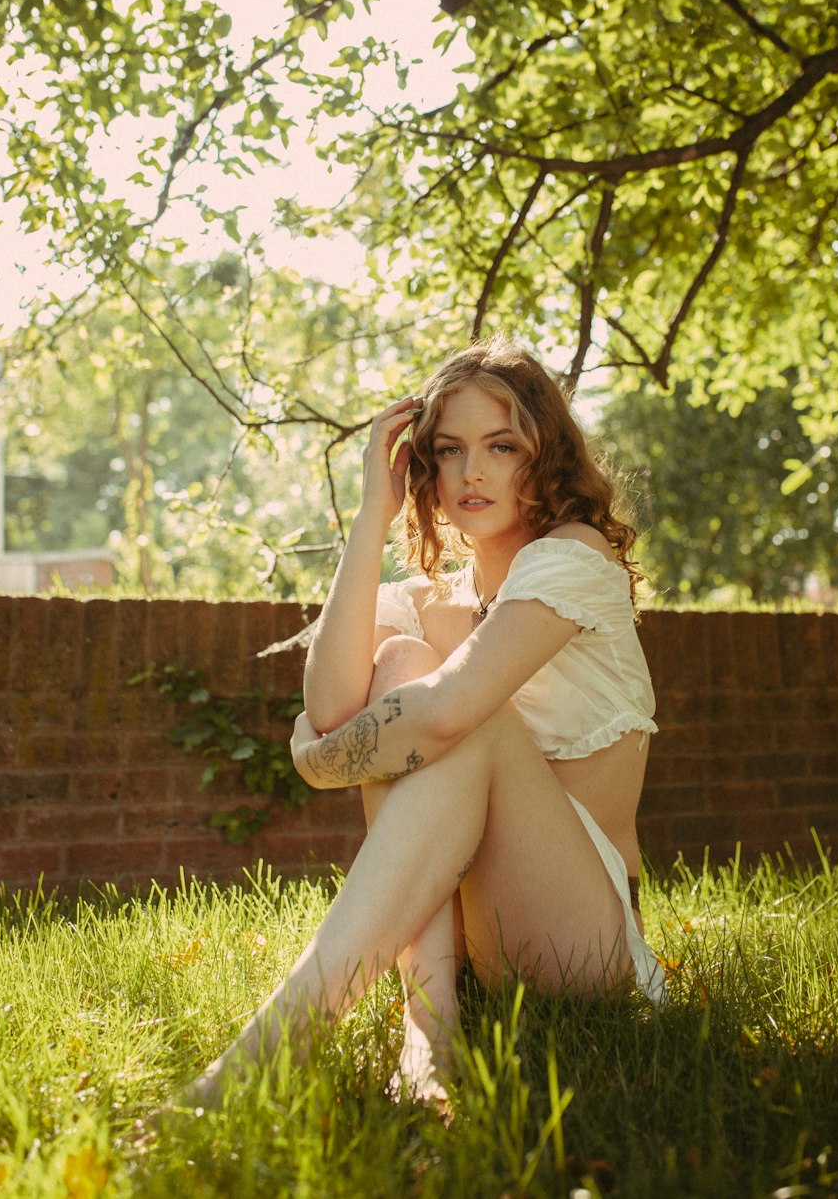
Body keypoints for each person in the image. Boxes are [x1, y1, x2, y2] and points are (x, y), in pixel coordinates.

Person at [180, 336, 665, 1111]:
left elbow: (434, 715)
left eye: (501, 445)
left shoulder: (575, 558)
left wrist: (314, 761)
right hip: (472, 946)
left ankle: (273, 1044)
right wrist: (375, 509)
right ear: (425, 469)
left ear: (545, 456)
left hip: (581, 940)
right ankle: (428, 1034)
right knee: (405, 661)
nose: (472, 471)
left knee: (460, 712)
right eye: (449, 449)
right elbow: (337, 706)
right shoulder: (429, 598)